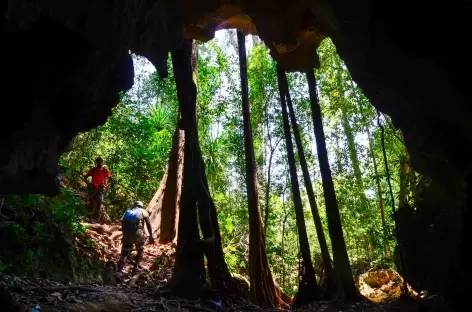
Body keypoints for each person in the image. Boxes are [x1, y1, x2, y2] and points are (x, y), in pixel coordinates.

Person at [116, 201, 155, 281]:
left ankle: (119, 272)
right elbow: (148, 223)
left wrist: (125, 234)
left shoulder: (128, 211)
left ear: (134, 205)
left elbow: (122, 222)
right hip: (138, 232)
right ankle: (135, 268)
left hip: (127, 233)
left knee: (125, 252)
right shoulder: (143, 211)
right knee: (140, 249)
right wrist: (151, 235)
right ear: (141, 206)